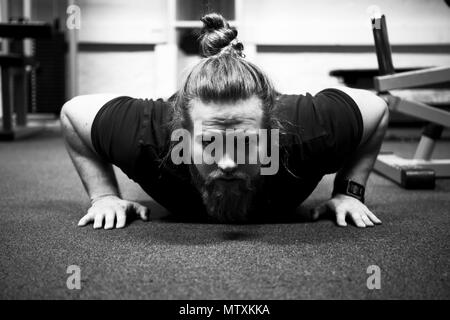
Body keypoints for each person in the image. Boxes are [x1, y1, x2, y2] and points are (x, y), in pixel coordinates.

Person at [60, 13, 388, 230]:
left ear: (271, 132)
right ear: (183, 135)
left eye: (245, 143)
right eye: (210, 143)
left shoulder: (306, 133)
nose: (228, 162)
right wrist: (103, 196)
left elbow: (376, 109)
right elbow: (73, 113)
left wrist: (350, 191)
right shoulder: (149, 137)